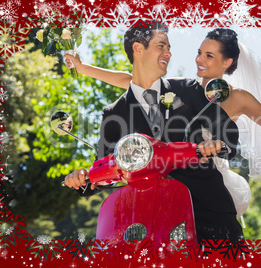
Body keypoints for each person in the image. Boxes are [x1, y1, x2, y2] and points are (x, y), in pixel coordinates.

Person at [64, 27, 261, 243]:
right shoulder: (179, 87)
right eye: (199, 52)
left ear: (227, 63)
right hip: (163, 187)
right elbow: (128, 80)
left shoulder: (235, 98)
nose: (200, 60)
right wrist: (82, 68)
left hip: (208, 171)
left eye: (209, 55)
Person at [64, 22, 245, 243]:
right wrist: (81, 178)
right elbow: (103, 168)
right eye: (162, 46)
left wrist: (217, 144)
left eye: (169, 47)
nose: (168, 53)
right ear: (138, 49)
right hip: (154, 224)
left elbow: (227, 130)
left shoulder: (188, 90)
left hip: (209, 214)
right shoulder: (114, 113)